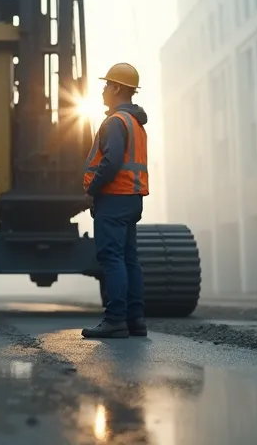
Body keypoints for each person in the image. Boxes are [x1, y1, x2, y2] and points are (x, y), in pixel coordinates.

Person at [81, 62, 149, 339]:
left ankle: (115, 320)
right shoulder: (135, 123)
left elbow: (110, 162)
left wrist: (93, 190)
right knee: (129, 259)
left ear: (118, 88)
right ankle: (135, 320)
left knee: (112, 259)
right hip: (132, 199)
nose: (103, 90)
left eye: (107, 85)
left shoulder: (114, 123)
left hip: (114, 198)